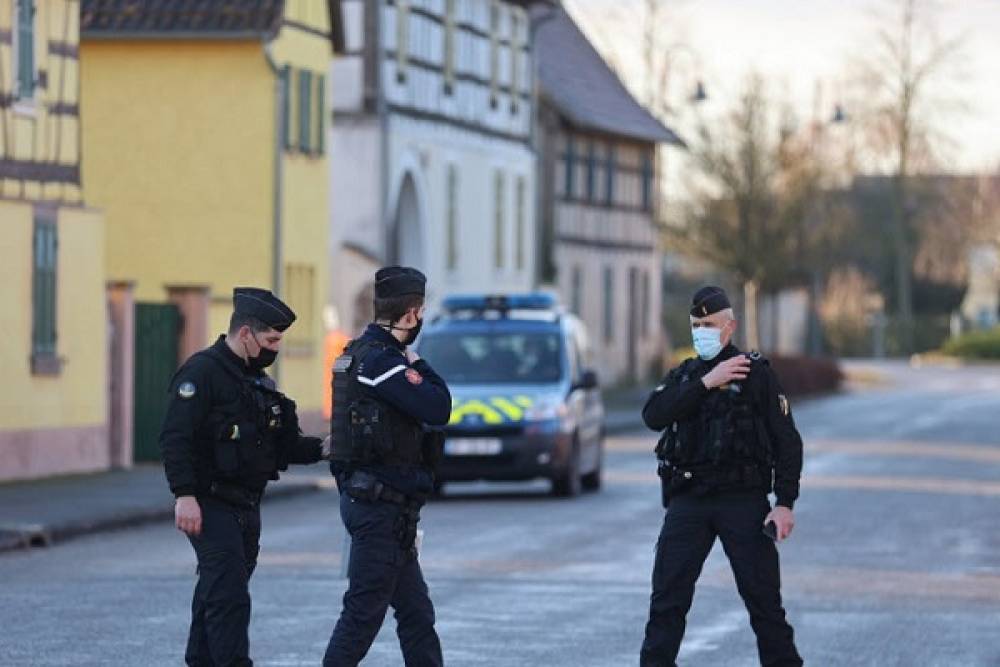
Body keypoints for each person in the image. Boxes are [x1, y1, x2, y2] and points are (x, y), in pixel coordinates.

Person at [160, 287, 329, 667]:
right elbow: (175, 437)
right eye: (271, 340)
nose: (276, 348)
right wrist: (184, 494)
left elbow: (280, 446)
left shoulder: (256, 382)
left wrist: (323, 449)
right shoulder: (202, 373)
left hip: (246, 505)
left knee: (216, 592)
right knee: (229, 597)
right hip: (210, 502)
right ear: (245, 334)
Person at [639, 286, 804, 667]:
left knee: (765, 605)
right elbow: (653, 415)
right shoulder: (686, 375)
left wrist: (784, 504)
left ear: (729, 328)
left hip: (742, 503)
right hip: (689, 501)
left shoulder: (756, 374)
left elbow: (787, 443)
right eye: (696, 325)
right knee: (667, 600)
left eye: (709, 324)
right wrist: (705, 383)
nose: (701, 331)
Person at [324, 266, 452, 667]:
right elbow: (438, 406)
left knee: (416, 615)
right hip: (379, 508)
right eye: (421, 313)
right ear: (411, 314)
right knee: (362, 616)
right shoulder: (383, 363)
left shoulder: (356, 354)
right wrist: (419, 362)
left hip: (384, 508)